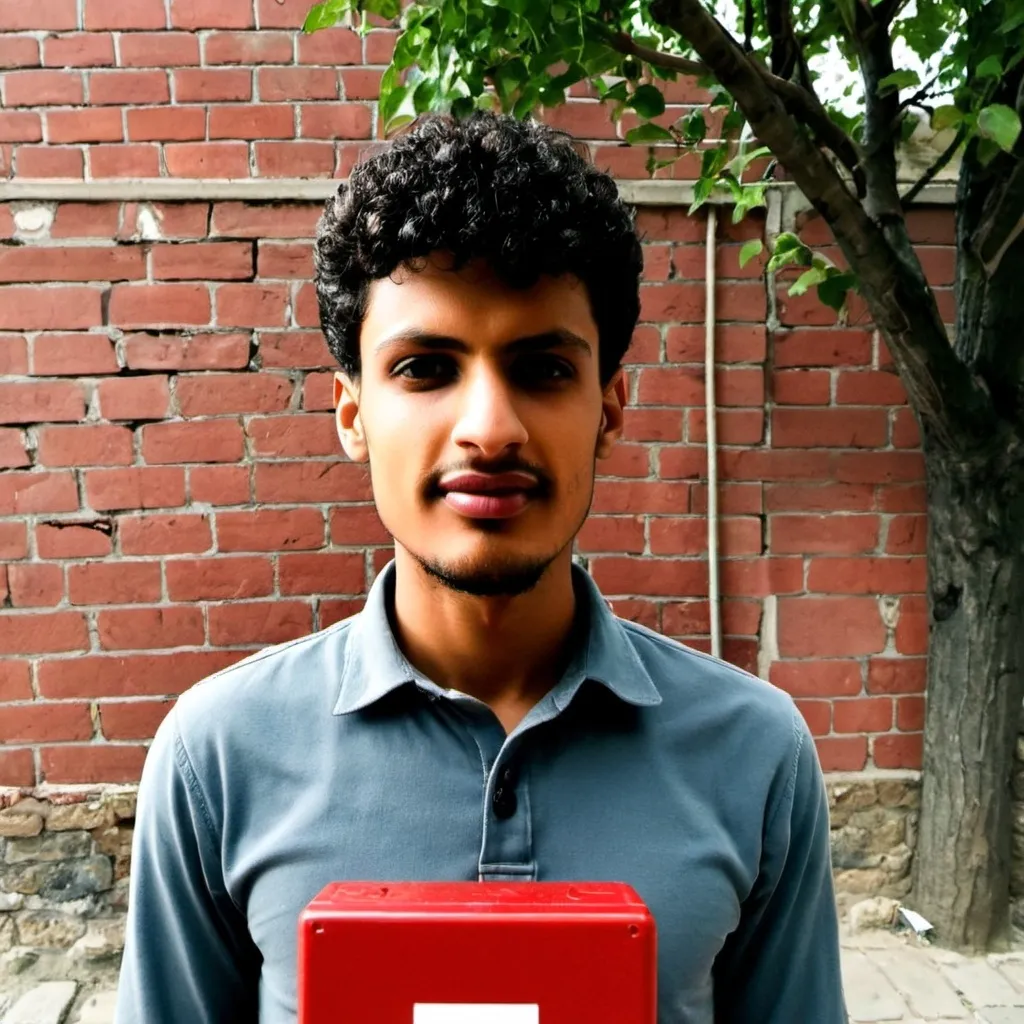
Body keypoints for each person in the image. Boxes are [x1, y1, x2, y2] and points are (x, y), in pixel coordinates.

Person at [114, 112, 846, 1023]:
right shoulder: (216, 757)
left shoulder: (756, 754)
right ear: (352, 414)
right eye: (425, 368)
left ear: (610, 408)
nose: (490, 430)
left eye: (542, 369)